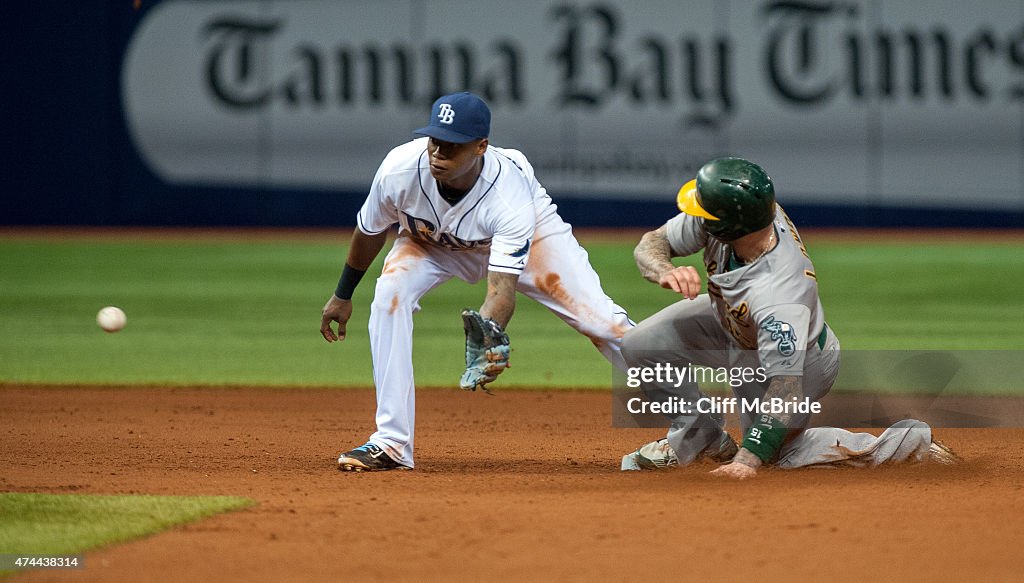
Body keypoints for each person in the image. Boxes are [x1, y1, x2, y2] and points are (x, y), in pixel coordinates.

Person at [321, 91, 633, 472]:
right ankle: (391, 443)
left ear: (481, 146)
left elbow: (502, 288)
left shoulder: (507, 196)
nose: (438, 153)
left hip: (529, 239)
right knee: (389, 294)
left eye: (452, 146)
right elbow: (369, 231)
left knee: (603, 323)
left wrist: (489, 331)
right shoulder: (399, 170)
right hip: (430, 244)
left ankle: (697, 418)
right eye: (435, 140)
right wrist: (343, 293)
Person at [619, 157, 959, 478]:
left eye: (706, 210)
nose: (698, 214)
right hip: (735, 323)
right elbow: (653, 242)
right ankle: (702, 441)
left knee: (774, 453)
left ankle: (906, 445)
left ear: (727, 225)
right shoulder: (746, 217)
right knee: (641, 343)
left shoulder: (779, 296)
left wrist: (746, 461)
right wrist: (663, 269)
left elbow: (786, 389)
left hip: (799, 363)